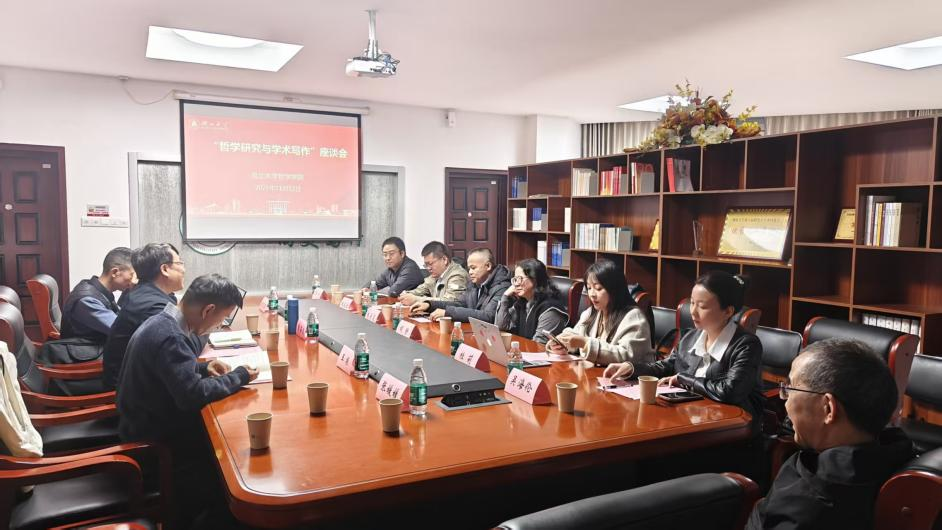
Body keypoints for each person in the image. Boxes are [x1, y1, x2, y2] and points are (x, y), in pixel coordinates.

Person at [117, 273, 258, 528]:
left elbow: (170, 372)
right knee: (232, 469)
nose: (218, 325)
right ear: (208, 310)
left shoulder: (163, 322)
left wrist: (203, 368)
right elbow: (192, 396)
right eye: (221, 319)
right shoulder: (171, 336)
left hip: (141, 425)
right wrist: (240, 376)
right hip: (156, 447)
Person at [746, 338, 913, 529]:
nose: (786, 402)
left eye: (790, 389)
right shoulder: (896, 458)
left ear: (828, 408)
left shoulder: (809, 505)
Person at [603, 270, 764, 432]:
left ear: (728, 311)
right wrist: (631, 368)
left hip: (730, 430)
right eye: (692, 303)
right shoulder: (690, 337)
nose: (693, 311)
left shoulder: (746, 345)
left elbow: (730, 392)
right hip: (689, 420)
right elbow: (666, 366)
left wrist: (684, 379)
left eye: (702, 306)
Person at [102, 243, 186, 390]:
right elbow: (184, 347)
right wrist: (208, 321)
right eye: (180, 263)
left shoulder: (144, 294)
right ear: (165, 269)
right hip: (131, 390)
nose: (183, 270)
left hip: (139, 377)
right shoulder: (152, 306)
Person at [548, 259, 653, 366]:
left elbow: (628, 356)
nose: (592, 294)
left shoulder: (634, 317)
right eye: (589, 288)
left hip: (627, 376)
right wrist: (562, 343)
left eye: (598, 288)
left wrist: (584, 343)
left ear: (614, 289)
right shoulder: (591, 312)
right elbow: (576, 334)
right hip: (594, 373)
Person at [412, 247, 511, 323]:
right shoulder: (474, 283)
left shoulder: (502, 287)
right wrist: (430, 305)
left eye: (473, 268)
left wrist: (448, 313)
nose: (470, 272)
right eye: (469, 268)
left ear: (488, 266)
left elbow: (488, 316)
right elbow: (459, 303)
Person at [60, 247, 136, 343]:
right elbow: (123, 331)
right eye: (132, 274)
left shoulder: (98, 290)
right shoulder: (87, 300)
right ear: (115, 272)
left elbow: (123, 318)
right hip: (87, 350)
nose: (134, 280)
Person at [494, 258, 569, 345]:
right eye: (515, 279)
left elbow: (538, 345)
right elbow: (501, 327)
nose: (516, 284)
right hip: (523, 351)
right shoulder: (522, 303)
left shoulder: (551, 309)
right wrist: (505, 297)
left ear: (535, 279)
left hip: (539, 352)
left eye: (520, 278)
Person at [398, 241, 469, 307]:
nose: (428, 268)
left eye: (430, 264)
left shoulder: (458, 275)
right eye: (426, 265)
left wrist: (416, 299)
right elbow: (420, 290)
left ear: (444, 259)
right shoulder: (435, 275)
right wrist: (406, 294)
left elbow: (450, 301)